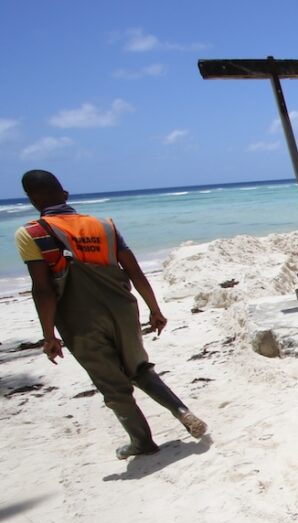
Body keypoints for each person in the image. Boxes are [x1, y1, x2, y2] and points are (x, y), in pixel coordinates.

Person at [15, 170, 207, 459]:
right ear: (65, 194)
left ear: (32, 199)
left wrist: (48, 335)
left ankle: (142, 441)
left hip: (79, 319)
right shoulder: (104, 226)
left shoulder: (32, 234)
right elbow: (134, 271)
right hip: (123, 308)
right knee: (139, 368)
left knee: (112, 383)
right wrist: (154, 309)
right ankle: (181, 411)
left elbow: (42, 290)